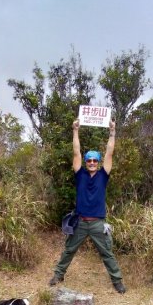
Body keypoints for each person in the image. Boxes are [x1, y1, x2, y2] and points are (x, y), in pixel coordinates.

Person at [49, 118, 126, 293]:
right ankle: (58, 274)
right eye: (89, 160)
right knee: (69, 250)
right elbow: (76, 153)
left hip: (98, 223)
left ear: (98, 163)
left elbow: (109, 153)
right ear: (86, 162)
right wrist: (75, 130)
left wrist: (112, 132)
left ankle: (117, 281)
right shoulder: (80, 174)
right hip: (81, 222)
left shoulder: (103, 175)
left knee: (107, 253)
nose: (92, 163)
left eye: (94, 161)